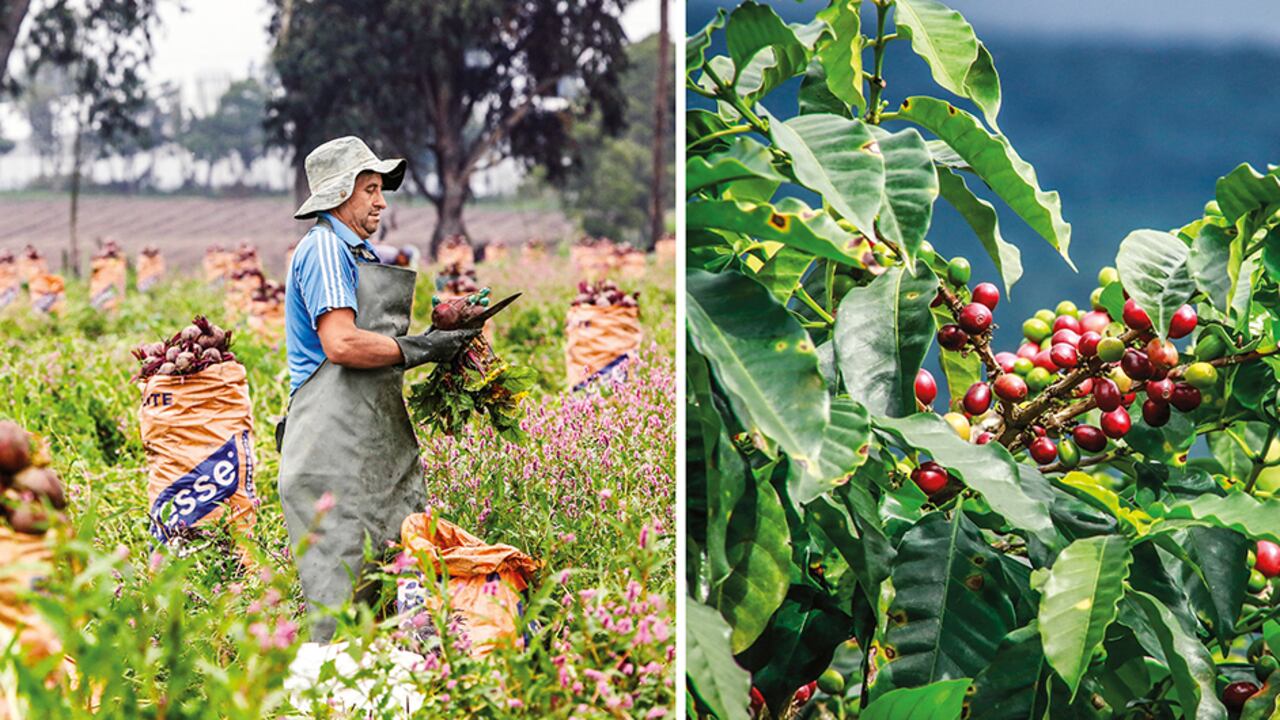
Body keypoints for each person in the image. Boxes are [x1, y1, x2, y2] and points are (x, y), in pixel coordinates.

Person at [276, 136, 480, 641]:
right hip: (332, 452)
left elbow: (373, 346)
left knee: (394, 588)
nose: (381, 202)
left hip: (365, 447)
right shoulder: (325, 249)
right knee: (343, 610)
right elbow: (342, 343)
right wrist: (423, 348)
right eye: (369, 189)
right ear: (339, 194)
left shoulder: (354, 252)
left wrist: (436, 337)